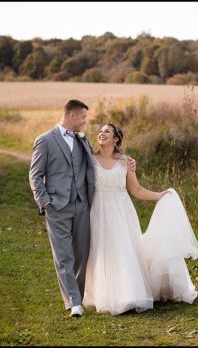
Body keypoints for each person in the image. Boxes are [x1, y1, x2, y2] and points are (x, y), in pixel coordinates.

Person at [28, 100, 136, 317]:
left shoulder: (82, 141)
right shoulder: (45, 141)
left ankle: (78, 295)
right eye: (83, 117)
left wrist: (126, 160)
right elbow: (35, 175)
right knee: (63, 256)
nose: (86, 122)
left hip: (82, 206)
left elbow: (100, 160)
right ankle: (74, 303)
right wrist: (46, 203)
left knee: (82, 255)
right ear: (72, 116)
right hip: (56, 207)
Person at [82, 123, 198, 316]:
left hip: (121, 212)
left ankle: (128, 294)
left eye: (107, 131)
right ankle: (103, 294)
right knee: (101, 251)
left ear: (116, 139)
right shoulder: (89, 159)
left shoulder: (125, 162)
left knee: (122, 250)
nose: (102, 134)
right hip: (97, 211)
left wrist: (160, 195)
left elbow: (136, 190)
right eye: (101, 131)